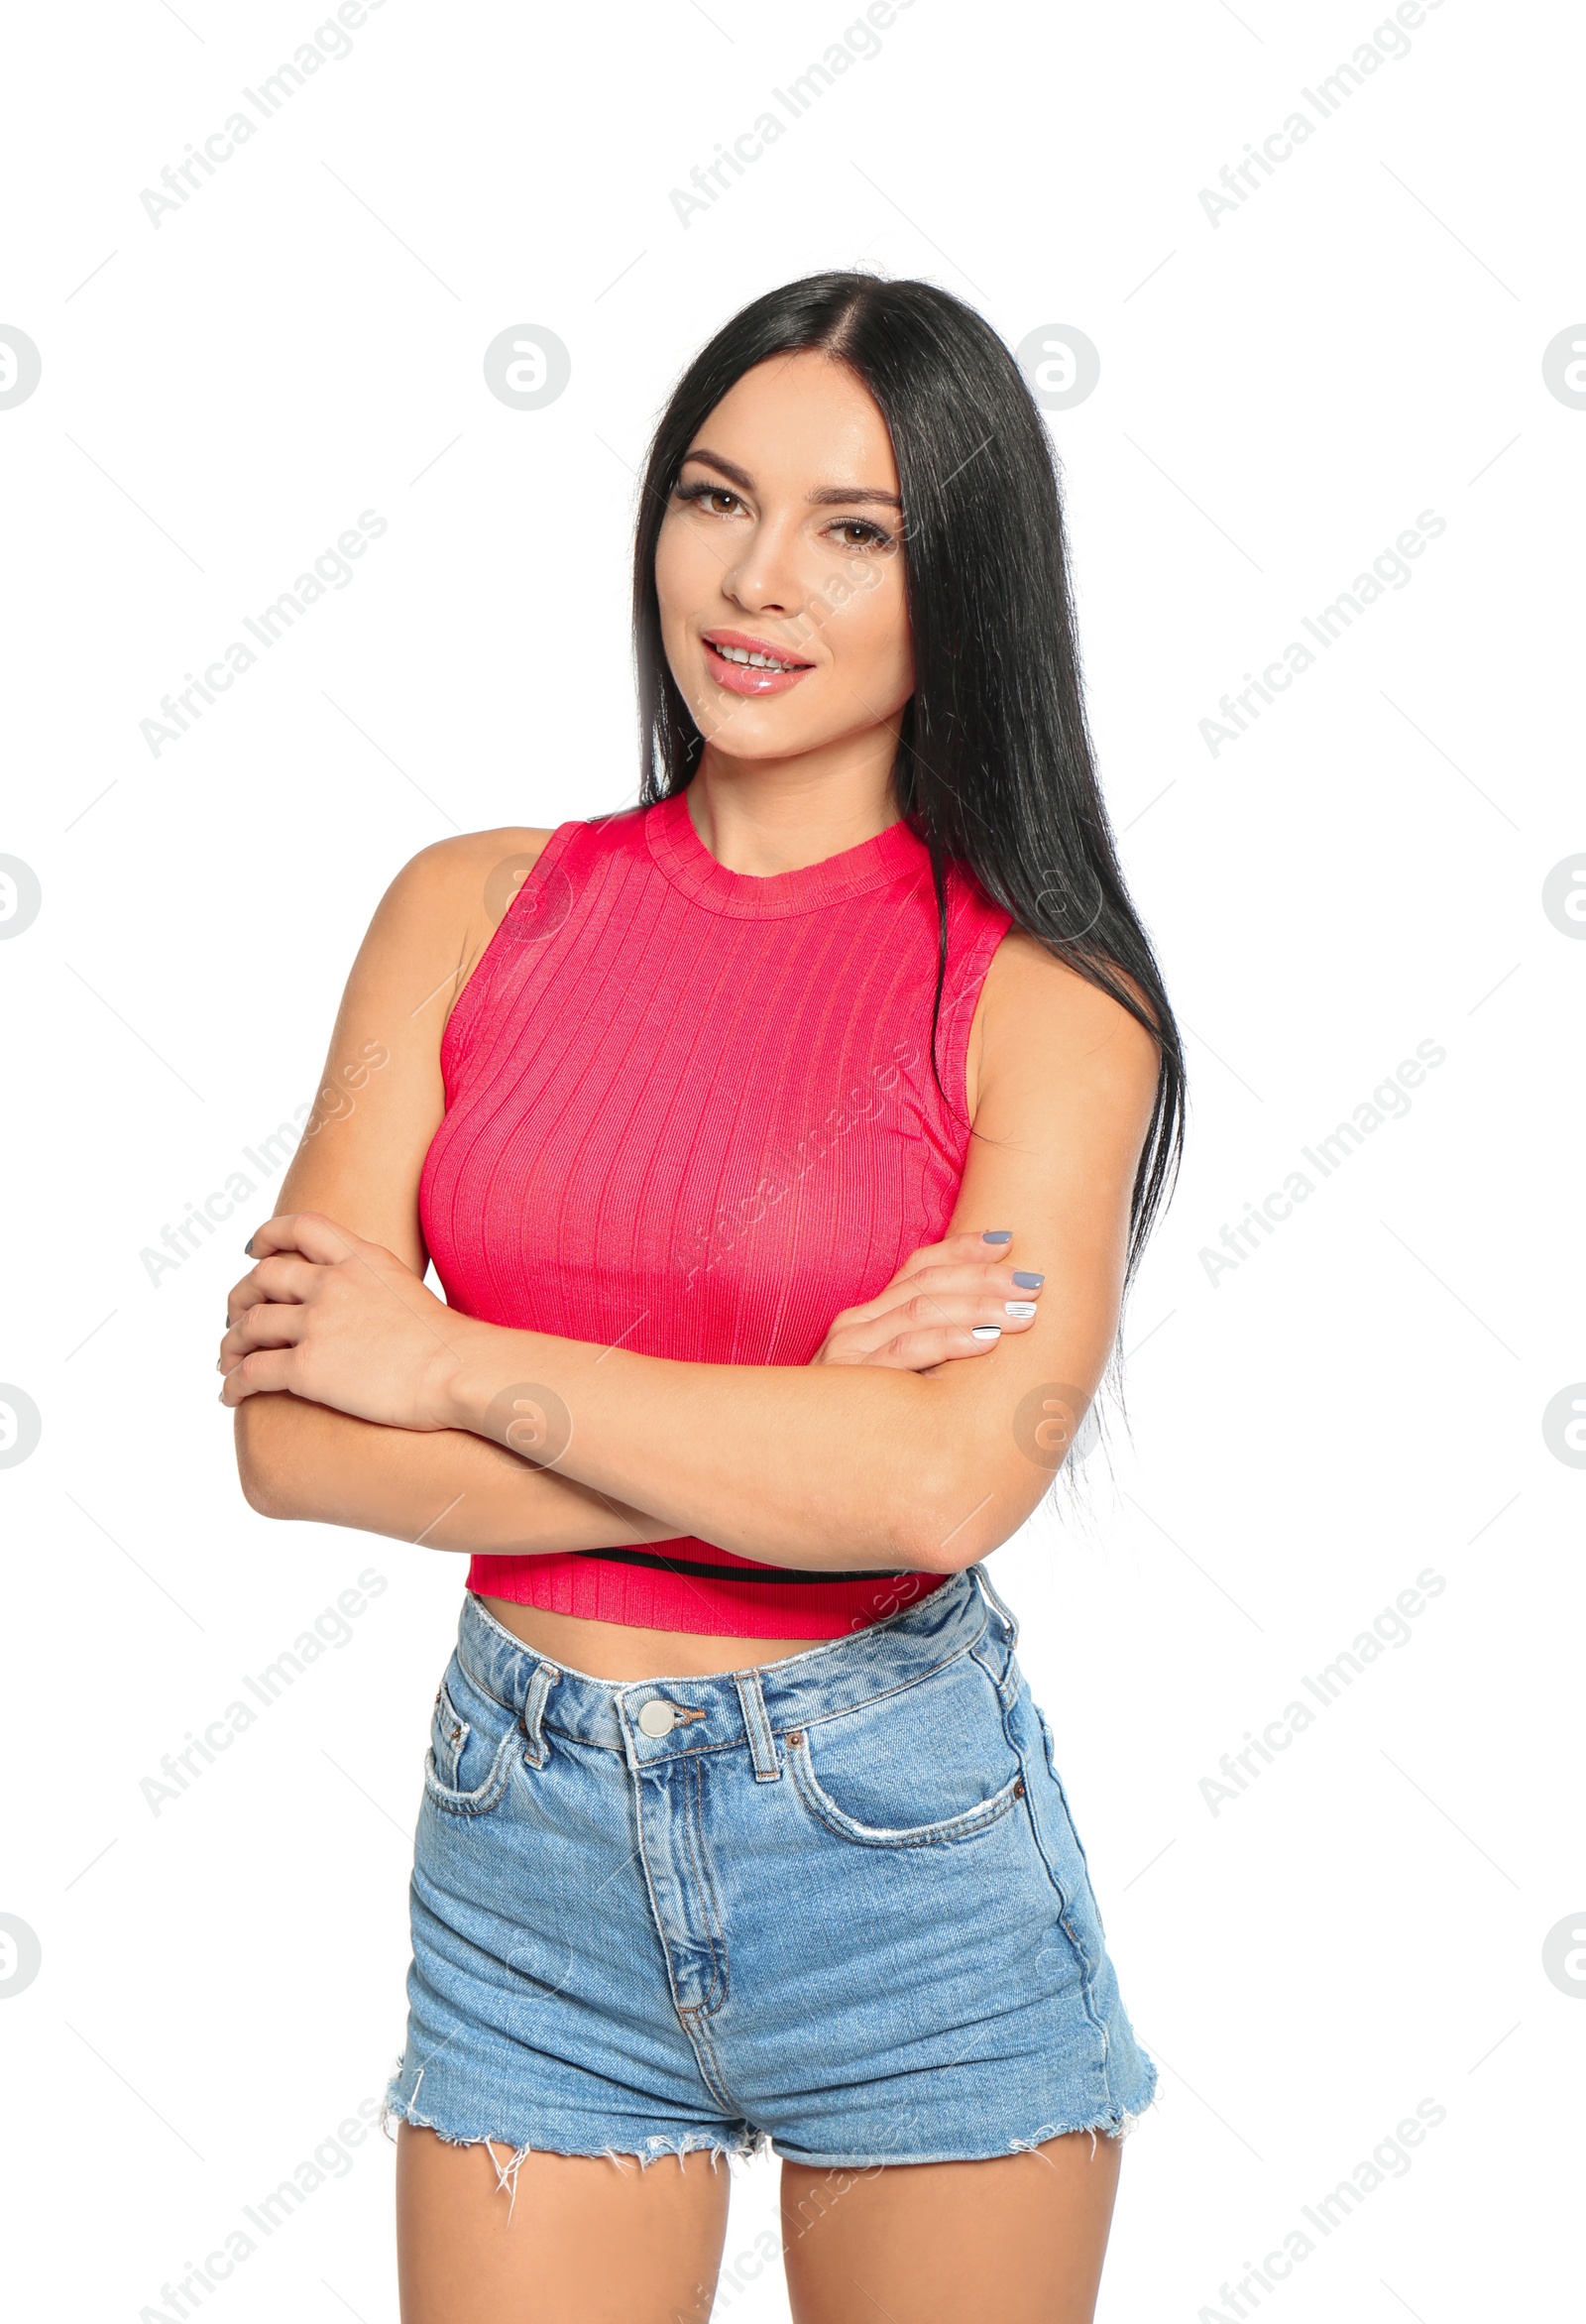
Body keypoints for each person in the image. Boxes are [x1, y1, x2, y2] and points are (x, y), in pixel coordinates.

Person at [220, 272, 1186, 2324]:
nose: (756, 580)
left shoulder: (1040, 1000)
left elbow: (933, 1490)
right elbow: (294, 1429)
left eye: (856, 529)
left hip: (898, 1848)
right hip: (521, 1845)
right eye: (711, 497)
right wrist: (777, 1434)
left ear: (968, 578)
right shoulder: (466, 906)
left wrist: (455, 1366)